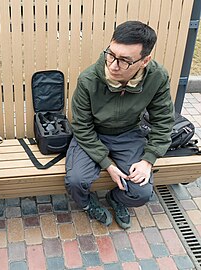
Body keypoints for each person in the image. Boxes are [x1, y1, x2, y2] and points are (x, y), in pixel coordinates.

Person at [65, 21, 174, 229]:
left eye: (125, 61)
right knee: (76, 181)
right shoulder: (88, 79)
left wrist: (148, 160)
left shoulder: (157, 77)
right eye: (111, 54)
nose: (113, 65)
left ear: (145, 60)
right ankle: (88, 204)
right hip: (92, 135)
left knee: (142, 192)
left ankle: (116, 199)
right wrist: (107, 164)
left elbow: (163, 120)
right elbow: (81, 127)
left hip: (128, 133)